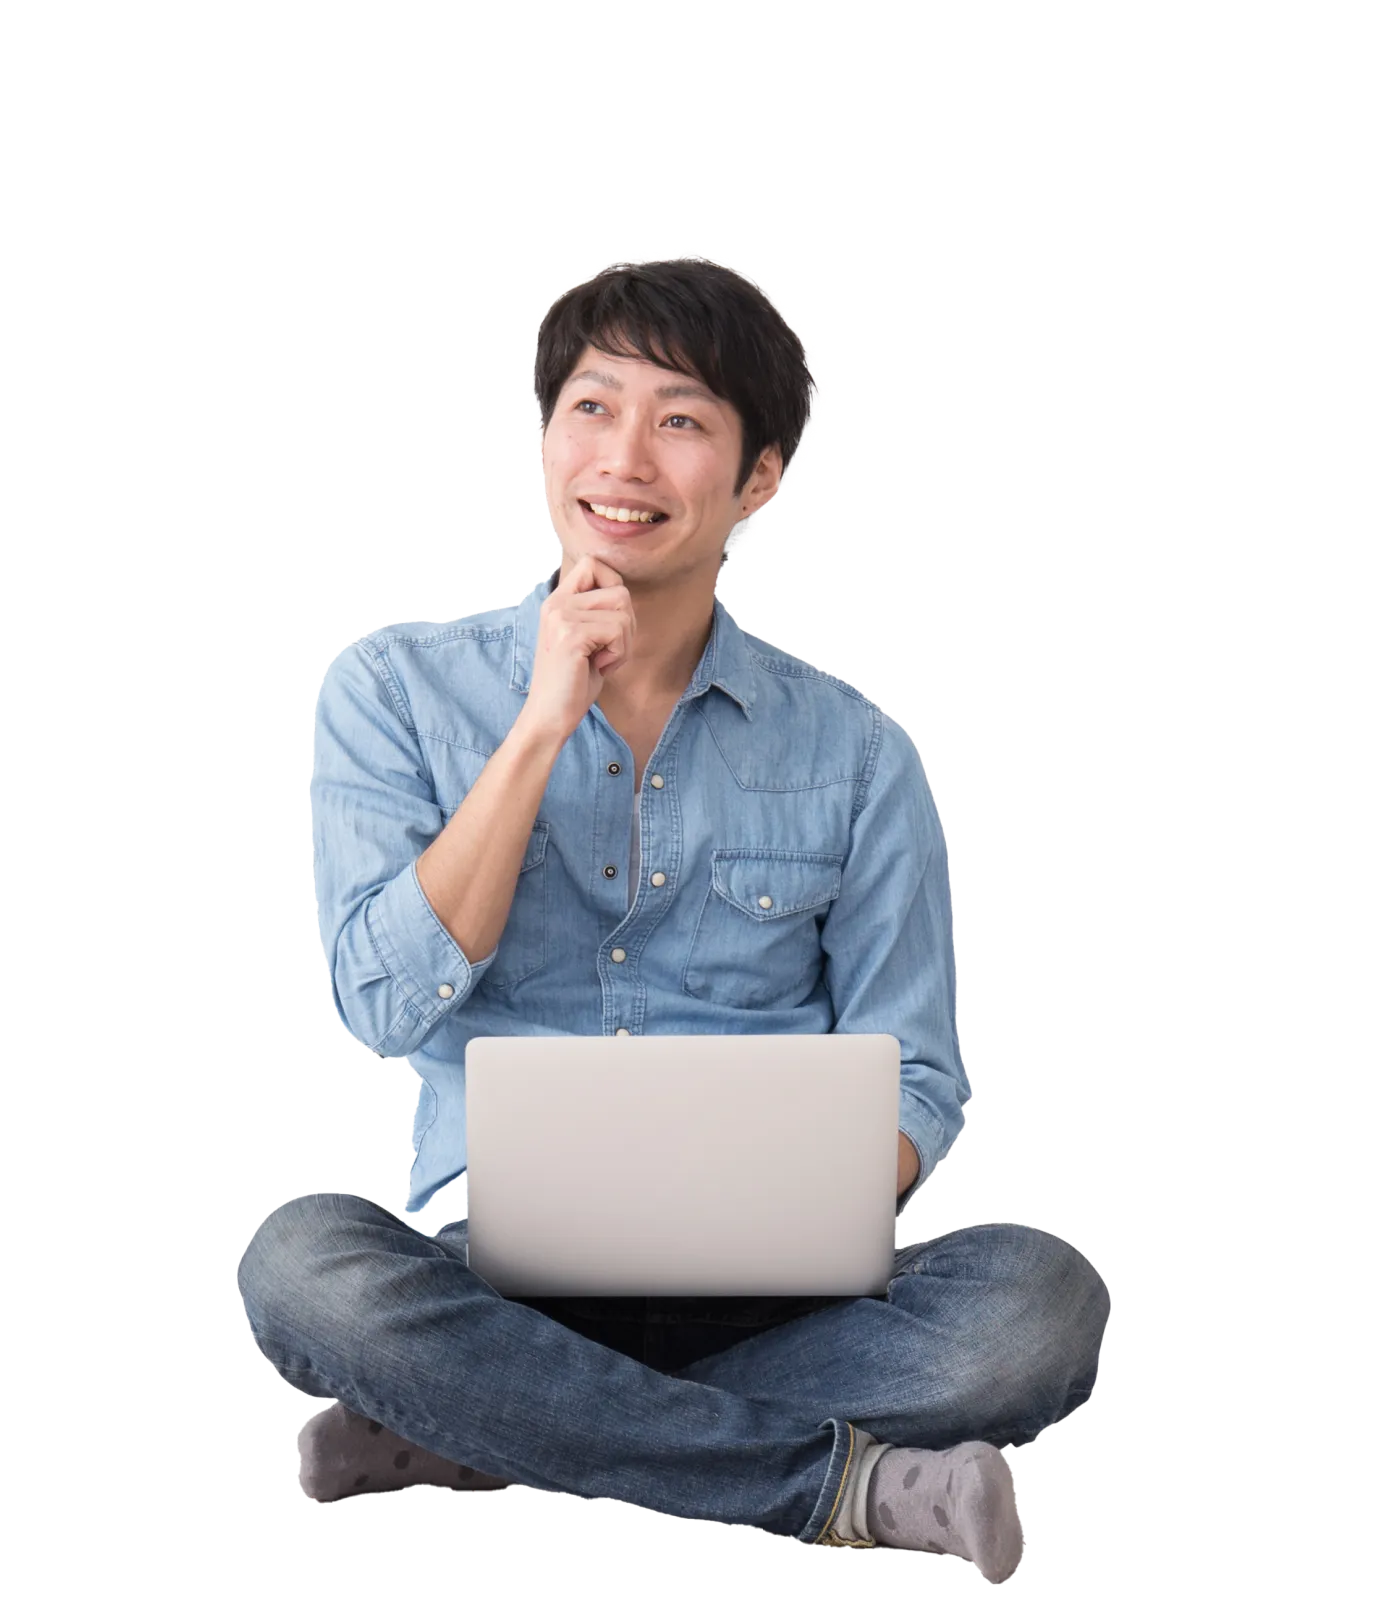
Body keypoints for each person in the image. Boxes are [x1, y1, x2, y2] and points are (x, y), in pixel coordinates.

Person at [241, 255, 1109, 1572]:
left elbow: (918, 1067)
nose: (625, 458)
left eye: (683, 419)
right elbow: (377, 1001)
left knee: (1038, 1305)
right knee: (302, 1262)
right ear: (544, 434)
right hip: (498, 1272)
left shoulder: (861, 749)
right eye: (593, 409)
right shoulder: (392, 685)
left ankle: (476, 1436)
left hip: (781, 1290)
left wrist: (792, 1198)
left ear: (762, 474)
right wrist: (540, 726)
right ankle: (855, 1495)